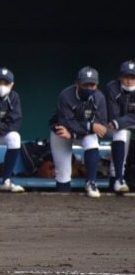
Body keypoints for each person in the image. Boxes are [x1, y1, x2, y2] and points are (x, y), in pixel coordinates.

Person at [49, 66, 107, 198]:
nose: (89, 88)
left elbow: (99, 125)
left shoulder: (99, 98)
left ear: (97, 85)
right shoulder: (66, 95)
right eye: (85, 85)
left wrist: (76, 133)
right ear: (77, 83)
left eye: (92, 85)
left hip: (80, 133)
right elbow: (66, 122)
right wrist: (89, 126)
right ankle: (60, 205)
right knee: (63, 174)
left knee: (92, 142)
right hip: (61, 132)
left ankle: (91, 182)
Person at [104, 60, 135, 193]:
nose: (129, 80)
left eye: (132, 77)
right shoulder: (112, 87)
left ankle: (118, 178)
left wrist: (121, 121)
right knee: (122, 132)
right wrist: (121, 122)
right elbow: (113, 116)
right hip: (110, 126)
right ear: (120, 76)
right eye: (126, 76)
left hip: (123, 123)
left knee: (122, 130)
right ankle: (118, 178)